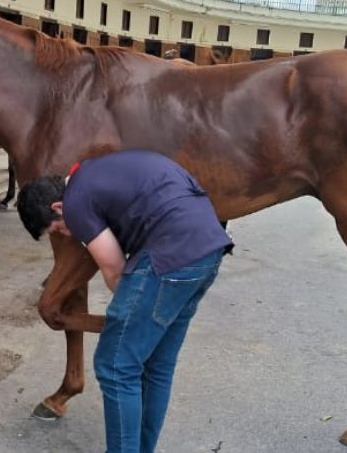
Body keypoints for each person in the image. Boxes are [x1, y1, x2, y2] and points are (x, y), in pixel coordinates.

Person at [17, 149, 232, 453]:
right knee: (156, 364)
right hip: (207, 252)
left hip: (171, 252)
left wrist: (135, 313)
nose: (66, 234)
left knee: (115, 363)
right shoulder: (97, 174)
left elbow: (114, 269)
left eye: (58, 228)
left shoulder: (76, 200)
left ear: (57, 206)